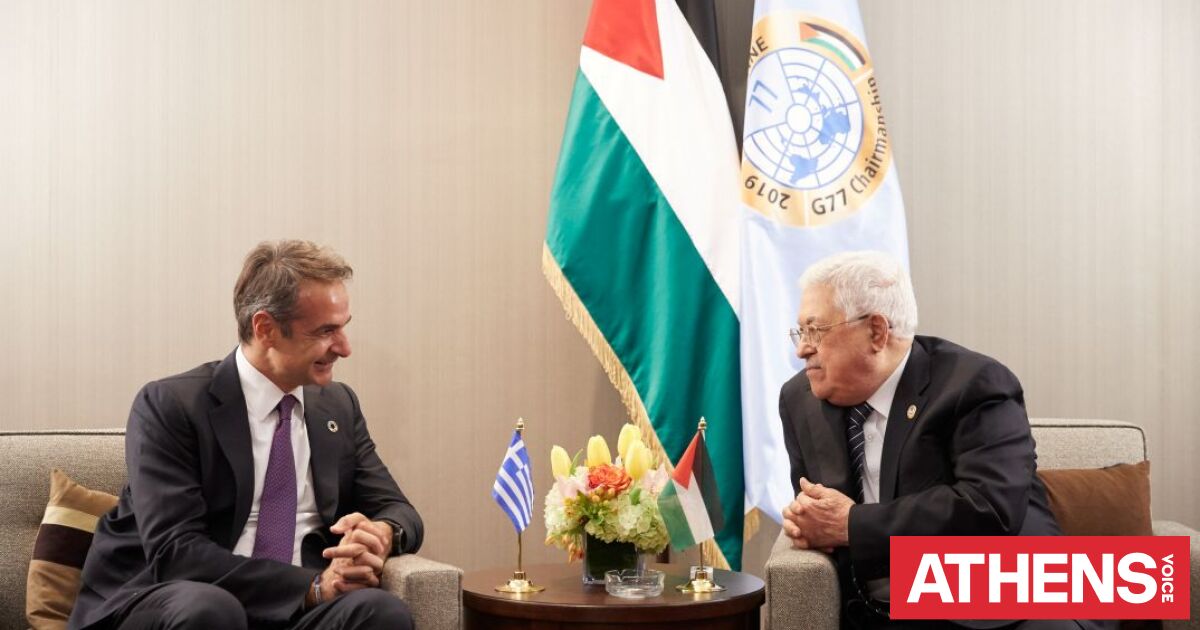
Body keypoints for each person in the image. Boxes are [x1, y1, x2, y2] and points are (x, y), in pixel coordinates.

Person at [69, 240, 423, 630]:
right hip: (176, 600)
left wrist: (382, 533)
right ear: (266, 328)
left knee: (381, 612)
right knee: (212, 609)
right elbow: (176, 553)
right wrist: (312, 586)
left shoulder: (337, 406)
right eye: (326, 331)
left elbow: (399, 510)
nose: (344, 347)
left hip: (294, 608)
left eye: (343, 327)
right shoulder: (171, 405)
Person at [778, 251, 1105, 630]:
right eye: (800, 332)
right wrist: (806, 522)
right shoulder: (800, 399)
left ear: (876, 332)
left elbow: (990, 507)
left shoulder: (974, 384)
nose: (802, 348)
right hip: (871, 609)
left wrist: (853, 524)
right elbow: (815, 512)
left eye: (816, 330)